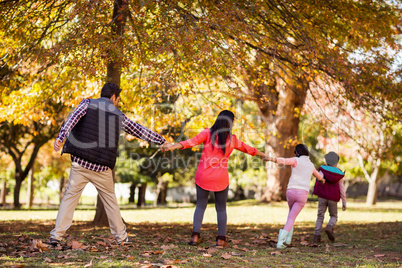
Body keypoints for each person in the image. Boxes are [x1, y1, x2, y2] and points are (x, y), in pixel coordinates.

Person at [49, 82, 168, 246]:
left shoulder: (87, 103)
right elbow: (139, 130)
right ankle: (122, 238)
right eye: (118, 99)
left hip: (80, 164)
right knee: (110, 202)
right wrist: (161, 141)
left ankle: (56, 236)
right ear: (114, 97)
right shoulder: (119, 115)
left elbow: (71, 120)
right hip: (101, 168)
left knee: (69, 198)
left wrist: (60, 138)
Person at [161, 110, 268, 247]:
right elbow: (249, 149)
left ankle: (195, 237)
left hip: (203, 176)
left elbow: (190, 142)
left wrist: (172, 146)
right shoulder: (232, 140)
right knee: (221, 208)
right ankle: (221, 240)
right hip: (220, 179)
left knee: (200, 206)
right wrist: (264, 155)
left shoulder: (207, 133)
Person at [265, 144, 325, 249]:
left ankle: (287, 239)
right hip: (302, 194)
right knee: (292, 217)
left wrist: (271, 159)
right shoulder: (311, 165)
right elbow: (319, 177)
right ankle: (280, 242)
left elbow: (283, 161)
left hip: (291, 191)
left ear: (297, 152)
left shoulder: (295, 160)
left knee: (291, 216)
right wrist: (322, 180)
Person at [312, 151, 347, 243]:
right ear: (336, 162)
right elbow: (341, 188)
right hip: (333, 198)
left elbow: (320, 178)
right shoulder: (339, 174)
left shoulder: (322, 170)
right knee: (334, 216)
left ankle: (316, 236)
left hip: (322, 197)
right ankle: (329, 227)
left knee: (320, 216)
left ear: (326, 161)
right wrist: (344, 202)